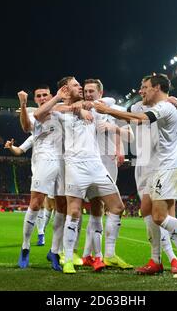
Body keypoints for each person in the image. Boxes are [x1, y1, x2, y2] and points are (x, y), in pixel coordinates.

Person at [94, 73, 177, 280]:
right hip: (157, 167)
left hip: (166, 168)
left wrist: (107, 111)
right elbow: (133, 115)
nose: (142, 91)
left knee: (160, 217)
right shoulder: (159, 107)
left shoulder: (165, 107)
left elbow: (143, 118)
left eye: (146, 87)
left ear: (157, 88)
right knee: (151, 210)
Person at [35, 76, 133, 274]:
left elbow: (111, 104)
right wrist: (69, 105)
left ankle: (108, 255)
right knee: (74, 212)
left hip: (96, 166)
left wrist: (85, 106)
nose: (81, 88)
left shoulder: (94, 106)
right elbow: (38, 114)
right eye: (76, 85)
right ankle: (69, 259)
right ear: (65, 89)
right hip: (74, 166)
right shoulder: (60, 111)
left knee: (117, 207)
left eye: (81, 86)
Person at [80, 79, 133, 271]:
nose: (88, 94)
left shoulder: (112, 110)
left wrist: (115, 131)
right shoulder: (84, 110)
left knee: (104, 210)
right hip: (93, 165)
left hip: (110, 165)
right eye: (85, 91)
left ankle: (88, 255)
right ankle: (100, 256)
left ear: (100, 93)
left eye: (92, 91)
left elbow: (131, 135)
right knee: (97, 210)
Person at [14, 86, 69, 271]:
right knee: (36, 203)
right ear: (35, 99)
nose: (42, 97)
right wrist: (23, 103)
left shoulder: (59, 109)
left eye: (45, 94)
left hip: (64, 160)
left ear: (51, 95)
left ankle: (54, 251)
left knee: (62, 206)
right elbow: (26, 127)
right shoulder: (32, 112)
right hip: (44, 159)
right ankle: (25, 247)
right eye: (39, 96)